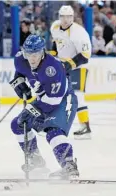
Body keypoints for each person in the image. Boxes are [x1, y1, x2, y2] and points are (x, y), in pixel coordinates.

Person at [10, 34, 79, 179]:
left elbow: (54, 100)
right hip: (43, 100)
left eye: (36, 54)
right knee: (18, 124)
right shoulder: (20, 59)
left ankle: (68, 165)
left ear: (43, 52)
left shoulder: (53, 67)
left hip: (63, 100)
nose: (32, 58)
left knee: (53, 130)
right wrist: (19, 82)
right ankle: (36, 160)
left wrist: (31, 109)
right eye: (29, 54)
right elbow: (20, 72)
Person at [50, 5, 92, 140]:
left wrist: (67, 65)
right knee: (58, 95)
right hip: (63, 66)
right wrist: (51, 59)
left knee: (78, 96)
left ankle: (85, 126)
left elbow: (85, 55)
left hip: (79, 67)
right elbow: (56, 44)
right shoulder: (55, 27)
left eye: (69, 17)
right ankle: (53, 123)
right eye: (63, 16)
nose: (66, 20)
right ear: (59, 17)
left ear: (73, 17)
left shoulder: (79, 32)